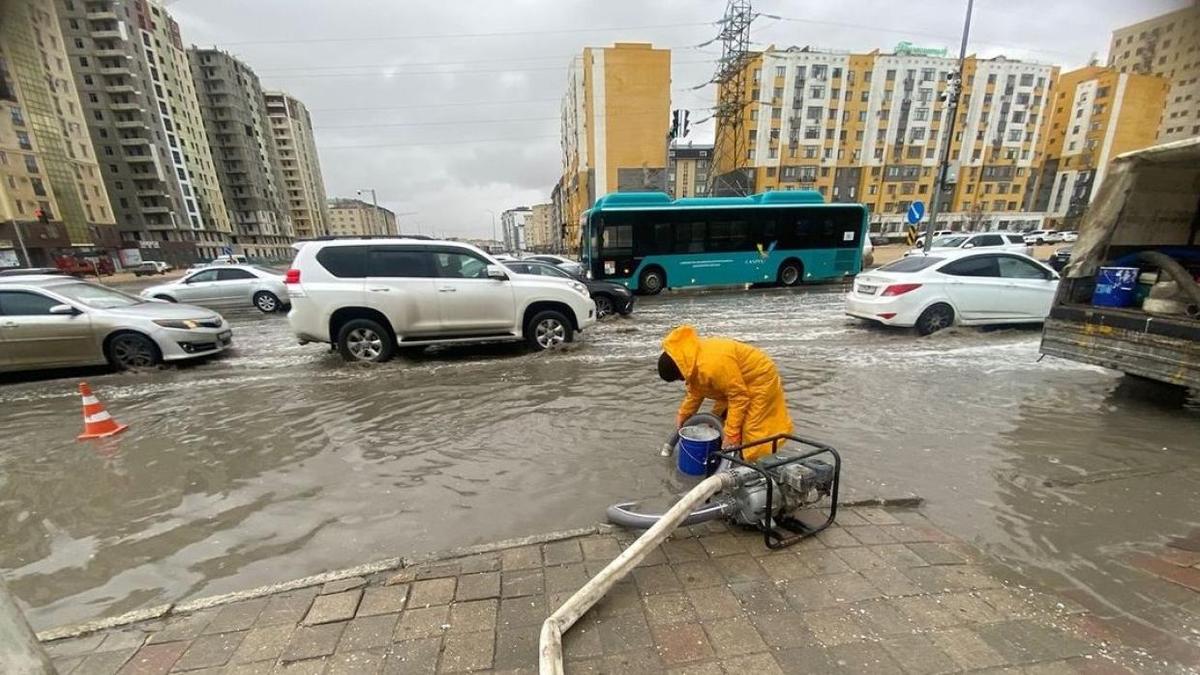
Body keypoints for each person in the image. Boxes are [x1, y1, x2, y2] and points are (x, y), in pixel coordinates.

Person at [657, 325, 793, 462]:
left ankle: (755, 465)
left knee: (753, 433)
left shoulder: (712, 365)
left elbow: (739, 397)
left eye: (679, 378)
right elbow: (696, 391)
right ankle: (727, 456)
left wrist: (732, 433)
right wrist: (684, 413)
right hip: (733, 383)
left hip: (758, 379)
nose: (682, 380)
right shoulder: (690, 359)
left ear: (679, 369)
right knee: (717, 422)